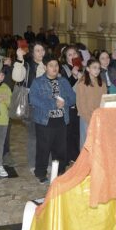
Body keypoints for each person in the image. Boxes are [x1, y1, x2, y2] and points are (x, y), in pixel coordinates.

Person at [29, 56, 75, 184]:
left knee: (60, 150)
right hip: (45, 121)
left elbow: (72, 98)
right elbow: (33, 100)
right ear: (45, 67)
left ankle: (59, 173)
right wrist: (53, 104)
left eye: (56, 65)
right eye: (51, 65)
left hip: (61, 120)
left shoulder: (64, 81)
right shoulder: (38, 82)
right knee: (43, 149)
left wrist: (64, 102)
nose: (54, 68)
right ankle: (41, 173)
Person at [12, 42, 46, 172]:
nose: (41, 53)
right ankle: (33, 163)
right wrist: (19, 60)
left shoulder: (49, 64)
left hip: (46, 105)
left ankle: (45, 162)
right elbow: (16, 77)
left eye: (42, 50)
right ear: (32, 52)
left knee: (45, 135)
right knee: (33, 135)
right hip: (31, 105)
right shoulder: (26, 64)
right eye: (38, 50)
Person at [76, 59, 107, 149]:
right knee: (86, 143)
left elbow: (104, 102)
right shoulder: (82, 84)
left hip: (98, 117)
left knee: (97, 143)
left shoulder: (102, 84)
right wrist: (89, 119)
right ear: (88, 69)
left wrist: (101, 116)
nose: (97, 70)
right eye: (94, 68)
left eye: (98, 68)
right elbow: (80, 104)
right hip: (86, 117)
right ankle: (84, 163)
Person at [60, 45, 82, 164]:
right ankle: (67, 156)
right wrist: (73, 76)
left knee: (77, 132)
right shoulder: (63, 68)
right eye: (70, 54)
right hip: (69, 105)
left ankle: (76, 155)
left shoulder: (82, 68)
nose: (73, 56)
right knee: (68, 132)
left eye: (75, 54)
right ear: (66, 57)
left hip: (81, 104)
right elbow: (64, 86)